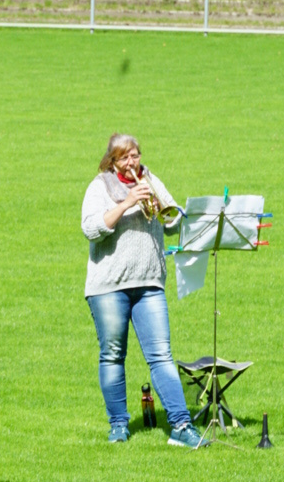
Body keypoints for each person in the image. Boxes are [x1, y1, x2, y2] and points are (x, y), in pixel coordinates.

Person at [81, 134, 207, 448]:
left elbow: (173, 218)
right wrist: (127, 203)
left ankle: (181, 425)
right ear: (112, 160)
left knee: (162, 355)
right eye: (124, 158)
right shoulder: (100, 187)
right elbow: (91, 229)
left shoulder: (149, 178)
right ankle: (118, 425)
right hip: (109, 286)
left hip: (149, 282)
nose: (132, 163)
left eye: (135, 156)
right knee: (112, 355)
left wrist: (170, 210)